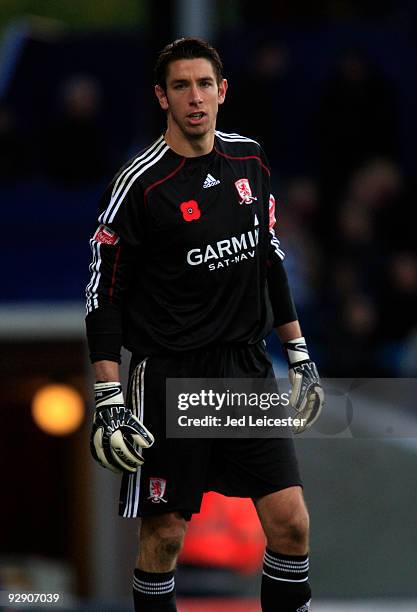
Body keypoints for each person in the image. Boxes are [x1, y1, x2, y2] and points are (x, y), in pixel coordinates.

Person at [85, 37, 324, 612]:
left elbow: (270, 260)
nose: (195, 98)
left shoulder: (250, 159)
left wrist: (298, 354)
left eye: (203, 85)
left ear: (223, 92)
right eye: (180, 86)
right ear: (161, 98)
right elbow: (102, 296)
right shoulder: (139, 186)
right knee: (165, 536)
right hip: (169, 375)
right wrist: (109, 396)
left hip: (243, 368)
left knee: (291, 523)